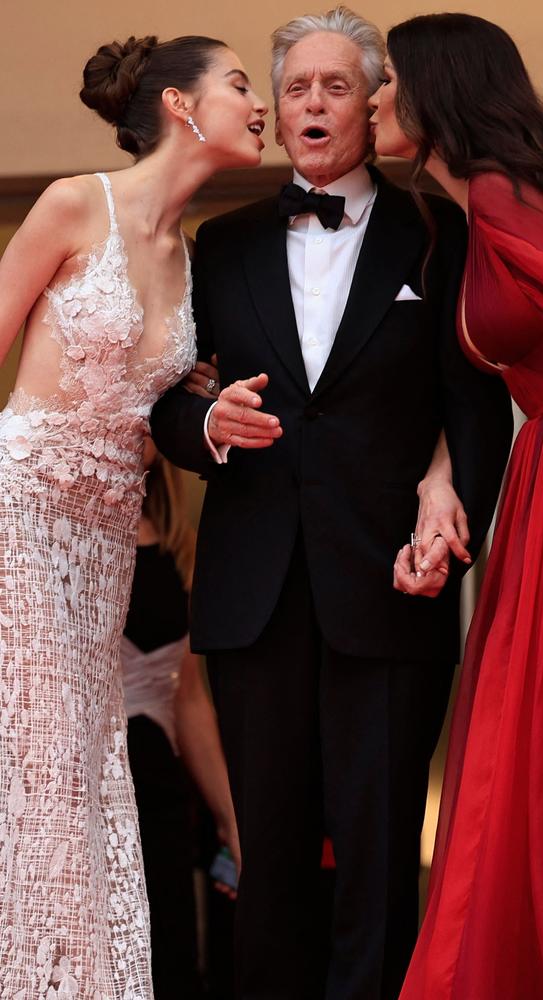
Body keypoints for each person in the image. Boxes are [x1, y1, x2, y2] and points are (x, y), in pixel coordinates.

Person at [150, 8, 513, 999]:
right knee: (262, 854)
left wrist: (454, 526)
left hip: (391, 584)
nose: (312, 102)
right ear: (277, 105)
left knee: (383, 851)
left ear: (374, 104)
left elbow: (474, 408)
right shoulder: (214, 247)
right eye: (296, 87)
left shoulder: (439, 236)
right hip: (251, 592)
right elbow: (166, 406)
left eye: (336, 85)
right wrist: (206, 427)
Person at [369, 12, 543, 999]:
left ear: (434, 91)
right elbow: (509, 374)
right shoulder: (476, 208)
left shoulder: (508, 198)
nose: (370, 100)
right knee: (535, 752)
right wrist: (444, 478)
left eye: (384, 81)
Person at [0, 34, 267, 998]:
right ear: (182, 107)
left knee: (86, 770)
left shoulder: (192, 259)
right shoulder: (76, 203)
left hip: (109, 538)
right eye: (241, 84)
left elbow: (163, 408)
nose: (261, 101)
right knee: (43, 772)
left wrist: (207, 407)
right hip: (22, 514)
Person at [123, 437, 240, 998]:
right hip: (79, 790)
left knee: (169, 960)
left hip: (160, 790)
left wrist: (230, 821)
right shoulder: (48, 527)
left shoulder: (178, 546)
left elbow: (189, 700)